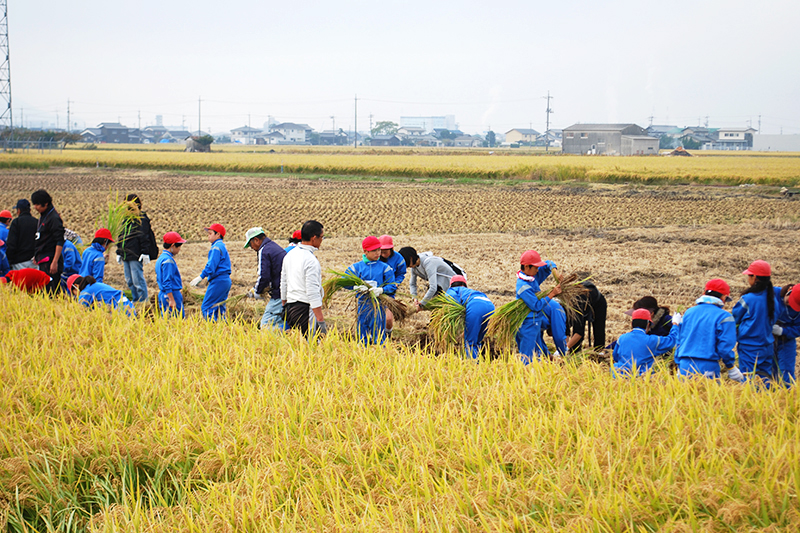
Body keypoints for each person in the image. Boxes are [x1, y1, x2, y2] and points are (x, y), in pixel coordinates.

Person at [673, 278, 744, 381]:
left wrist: (679, 363)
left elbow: (679, 340)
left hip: (684, 365)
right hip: (707, 366)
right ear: (723, 297)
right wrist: (731, 367)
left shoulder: (688, 313)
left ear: (704, 293)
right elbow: (724, 348)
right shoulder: (724, 317)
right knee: (707, 396)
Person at [732, 260, 779, 386]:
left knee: (749, 380)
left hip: (750, 347)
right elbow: (775, 317)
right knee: (765, 379)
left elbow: (735, 317)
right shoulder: (773, 299)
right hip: (768, 345)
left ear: (755, 277)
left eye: (749, 275)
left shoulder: (748, 299)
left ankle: (750, 404)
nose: (748, 278)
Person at [345, 236, 396, 345]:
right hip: (363, 306)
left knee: (379, 333)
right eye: (374, 251)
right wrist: (356, 287)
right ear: (365, 251)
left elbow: (392, 285)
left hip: (378, 306)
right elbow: (343, 281)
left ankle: (380, 353)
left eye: (379, 249)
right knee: (362, 333)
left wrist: (381, 290)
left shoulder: (385, 268)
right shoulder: (356, 268)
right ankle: (363, 355)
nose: (377, 253)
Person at [280, 220, 326, 336]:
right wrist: (321, 321)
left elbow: (284, 284)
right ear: (313, 238)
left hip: (291, 310)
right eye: (322, 237)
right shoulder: (311, 261)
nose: (322, 240)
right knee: (311, 346)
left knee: (298, 346)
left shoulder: (289, 255)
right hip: (305, 310)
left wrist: (285, 305)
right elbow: (312, 292)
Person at [515, 250, 561, 364]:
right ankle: (525, 377)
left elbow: (548, 264)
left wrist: (556, 273)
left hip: (536, 321)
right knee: (527, 355)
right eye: (535, 267)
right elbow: (536, 305)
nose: (537, 270)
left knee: (538, 348)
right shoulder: (523, 286)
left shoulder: (532, 276)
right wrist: (552, 294)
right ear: (526, 267)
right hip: (528, 323)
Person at [612, 309, 680, 376]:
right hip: (642, 378)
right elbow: (672, 340)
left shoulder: (622, 338)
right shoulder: (652, 340)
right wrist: (675, 324)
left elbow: (615, 357)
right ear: (648, 325)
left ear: (631, 324)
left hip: (618, 376)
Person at [244, 227, 287, 329]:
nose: (252, 248)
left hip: (280, 293)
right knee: (282, 320)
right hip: (288, 290)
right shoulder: (274, 247)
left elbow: (264, 276)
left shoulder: (264, 250)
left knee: (266, 325)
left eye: (250, 245)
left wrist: (257, 291)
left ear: (256, 240)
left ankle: (276, 342)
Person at [116, 194, 156, 303]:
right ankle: (135, 299)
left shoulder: (141, 218)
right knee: (129, 280)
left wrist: (145, 252)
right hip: (125, 253)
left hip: (135, 253)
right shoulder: (125, 219)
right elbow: (121, 236)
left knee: (137, 279)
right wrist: (119, 251)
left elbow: (144, 235)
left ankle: (143, 301)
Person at [398, 246, 465, 310]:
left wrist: (421, 304)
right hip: (440, 283)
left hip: (455, 281)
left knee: (449, 306)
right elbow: (412, 284)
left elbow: (433, 288)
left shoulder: (428, 263)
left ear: (411, 258)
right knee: (436, 307)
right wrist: (415, 298)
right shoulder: (414, 267)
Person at [446, 275, 495, 360]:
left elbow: (451, 301)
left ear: (451, 285)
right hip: (490, 307)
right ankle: (478, 361)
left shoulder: (452, 290)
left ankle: (472, 366)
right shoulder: (470, 291)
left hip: (476, 306)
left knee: (470, 342)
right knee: (477, 340)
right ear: (464, 284)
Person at [190, 223, 232, 321]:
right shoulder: (221, 246)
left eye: (210, 233)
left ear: (218, 235)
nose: (208, 236)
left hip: (218, 281)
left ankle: (211, 329)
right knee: (219, 308)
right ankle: (223, 330)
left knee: (207, 307)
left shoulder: (216, 248)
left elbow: (211, 266)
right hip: (225, 280)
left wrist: (201, 276)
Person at [31, 189, 65, 294]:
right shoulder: (44, 216)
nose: (35, 207)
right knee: (44, 290)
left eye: (37, 205)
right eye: (34, 204)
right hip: (43, 258)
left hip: (50, 260)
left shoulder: (53, 218)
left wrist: (54, 262)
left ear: (46, 203)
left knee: (51, 291)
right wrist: (36, 255)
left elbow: (59, 240)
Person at [566, 281, 607, 352]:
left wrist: (566, 348)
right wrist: (563, 347)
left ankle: (599, 354)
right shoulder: (562, 309)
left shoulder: (576, 305)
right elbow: (565, 331)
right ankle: (574, 353)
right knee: (574, 347)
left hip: (598, 304)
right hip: (582, 303)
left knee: (598, 331)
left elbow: (579, 333)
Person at [379, 234, 407, 337]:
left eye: (385, 252)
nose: (382, 254)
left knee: (388, 319)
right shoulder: (375, 257)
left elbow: (401, 274)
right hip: (375, 291)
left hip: (389, 291)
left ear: (391, 249)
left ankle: (388, 336)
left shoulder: (399, 259)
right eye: (380, 251)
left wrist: (397, 283)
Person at [66, 274, 135, 316]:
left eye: (73, 293)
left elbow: (79, 312)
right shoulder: (94, 285)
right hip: (128, 307)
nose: (76, 296)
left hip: (122, 310)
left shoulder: (85, 292)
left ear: (75, 286)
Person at [773, 285, 800, 387]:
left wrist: (782, 331)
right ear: (789, 290)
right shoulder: (772, 293)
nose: (791, 305)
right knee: (770, 370)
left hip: (787, 340)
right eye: (790, 301)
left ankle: (787, 396)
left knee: (787, 372)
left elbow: (798, 329)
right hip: (769, 339)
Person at [155, 232, 186, 317]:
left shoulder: (161, 258)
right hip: (172, 293)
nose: (179, 249)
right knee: (177, 321)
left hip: (163, 294)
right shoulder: (168, 261)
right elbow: (167, 281)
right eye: (179, 246)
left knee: (166, 320)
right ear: (172, 245)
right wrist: (171, 299)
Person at [6, 199, 37, 270]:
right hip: (34, 262)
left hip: (19, 263)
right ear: (30, 210)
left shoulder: (16, 223)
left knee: (21, 281)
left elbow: (11, 244)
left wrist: (9, 260)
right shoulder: (37, 222)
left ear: (19, 210)